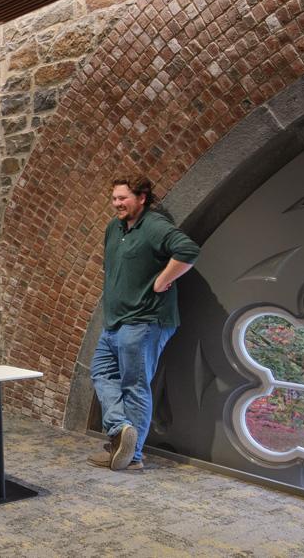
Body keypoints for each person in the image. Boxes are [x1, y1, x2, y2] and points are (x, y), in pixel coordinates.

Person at [88, 177, 199, 471]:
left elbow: (187, 251)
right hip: (115, 323)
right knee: (100, 373)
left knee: (134, 386)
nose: (117, 204)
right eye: (114, 198)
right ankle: (121, 429)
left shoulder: (153, 225)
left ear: (142, 198)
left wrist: (163, 281)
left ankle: (132, 456)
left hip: (145, 321)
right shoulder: (114, 227)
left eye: (123, 198)